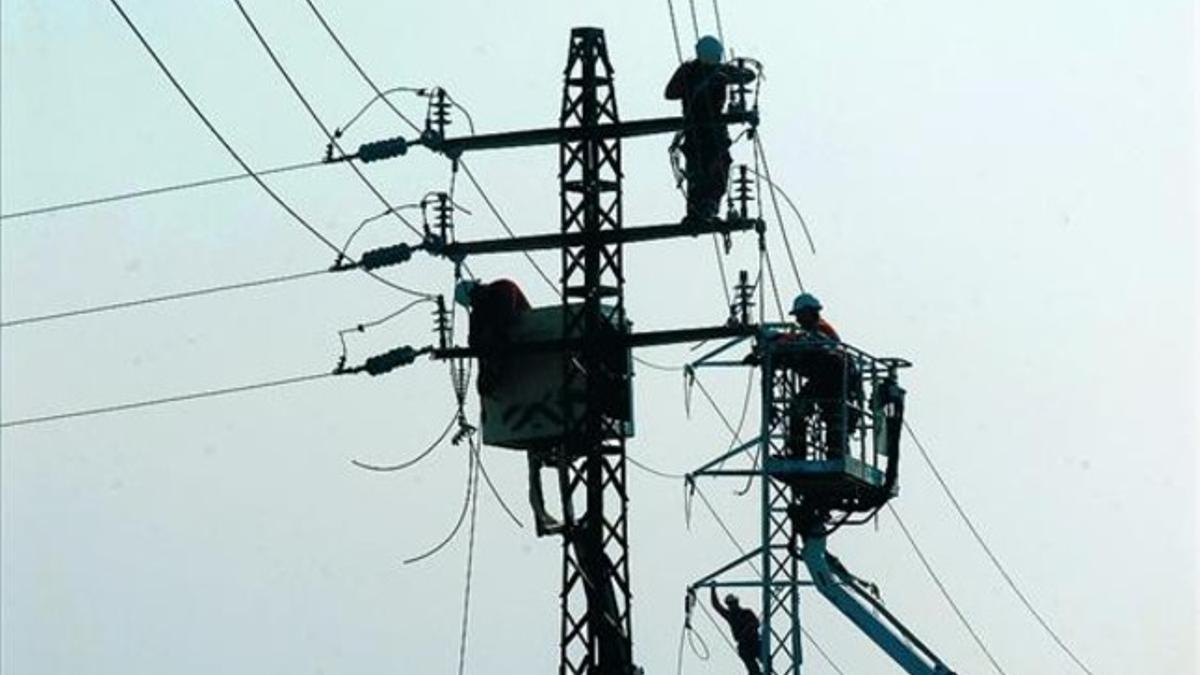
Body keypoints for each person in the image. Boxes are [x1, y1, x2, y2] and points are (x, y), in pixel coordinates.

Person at [664, 36, 756, 223]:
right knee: (698, 172)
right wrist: (696, 82)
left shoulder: (719, 71)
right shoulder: (689, 70)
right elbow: (670, 93)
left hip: (715, 134)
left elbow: (749, 76)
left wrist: (729, 75)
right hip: (697, 132)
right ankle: (696, 212)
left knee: (717, 169)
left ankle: (709, 207)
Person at [779, 293, 861, 457]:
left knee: (829, 416)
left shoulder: (821, 330)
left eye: (800, 315)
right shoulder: (814, 331)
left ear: (810, 313)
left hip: (833, 381)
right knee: (803, 411)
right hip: (826, 380)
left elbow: (813, 345)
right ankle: (798, 452)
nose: (798, 320)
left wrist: (782, 340)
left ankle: (829, 454)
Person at [455, 278, 531, 395]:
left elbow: (506, 318)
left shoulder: (503, 288)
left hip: (527, 335)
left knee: (496, 341)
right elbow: (474, 342)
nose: (476, 303)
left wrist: (491, 335)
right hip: (505, 345)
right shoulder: (478, 313)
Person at [711, 588, 762, 675]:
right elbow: (717, 606)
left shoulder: (747, 612)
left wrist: (748, 629)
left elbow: (756, 623)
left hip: (754, 642)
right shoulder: (730, 616)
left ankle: (765, 665)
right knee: (752, 668)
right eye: (730, 604)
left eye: (733, 603)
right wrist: (713, 589)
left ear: (737, 602)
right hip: (744, 645)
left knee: (765, 657)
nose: (732, 606)